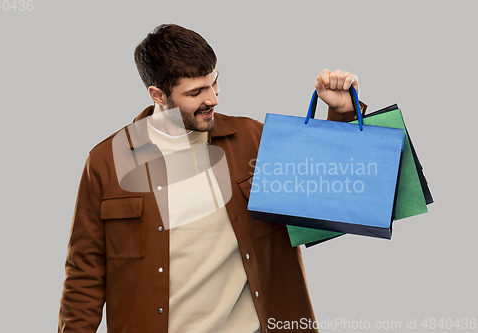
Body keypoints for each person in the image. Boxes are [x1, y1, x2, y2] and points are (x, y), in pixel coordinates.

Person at [58, 24, 366, 333]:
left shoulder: (252, 139)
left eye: (214, 83)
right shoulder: (107, 162)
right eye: (195, 93)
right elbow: (85, 273)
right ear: (158, 95)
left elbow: (326, 203)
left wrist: (344, 115)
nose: (213, 99)